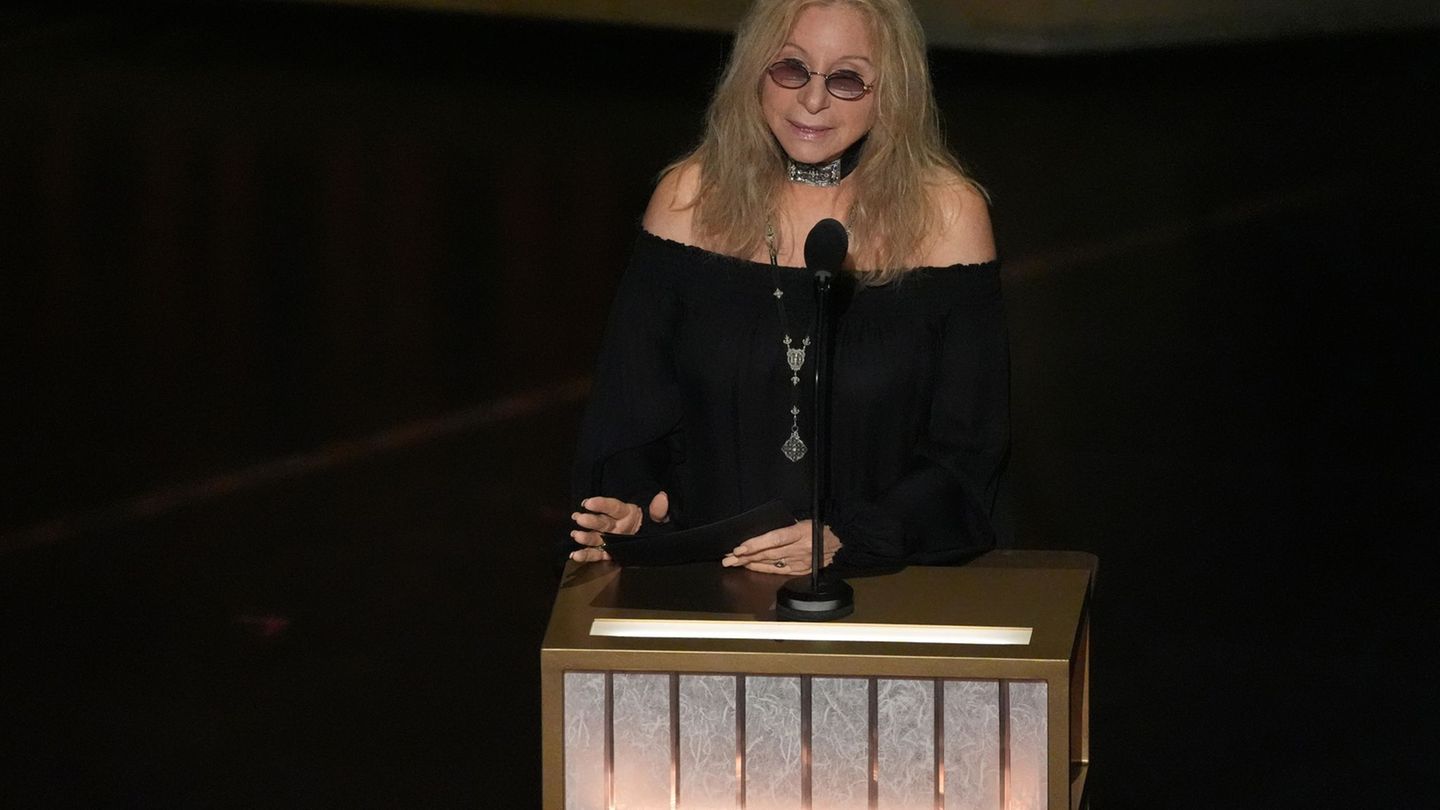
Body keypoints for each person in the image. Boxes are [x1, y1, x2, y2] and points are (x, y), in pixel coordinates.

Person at [567, 0, 1007, 575]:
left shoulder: (948, 216)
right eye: (792, 69)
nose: (814, 99)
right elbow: (629, 417)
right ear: (754, 71)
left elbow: (969, 455)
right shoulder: (686, 200)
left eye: (847, 79)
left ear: (893, 93)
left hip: (886, 586)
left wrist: (849, 538)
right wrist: (631, 503)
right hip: (706, 582)